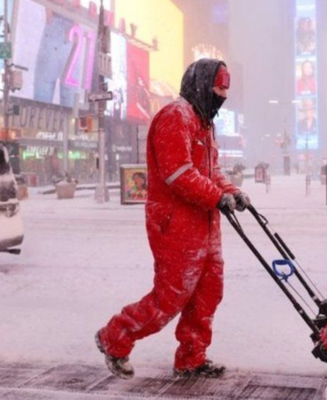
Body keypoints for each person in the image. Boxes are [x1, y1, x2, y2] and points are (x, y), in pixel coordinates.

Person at [95, 59, 251, 380]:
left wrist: (232, 192)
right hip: (176, 223)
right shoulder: (174, 117)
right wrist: (216, 197)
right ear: (202, 83)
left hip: (206, 224)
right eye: (219, 87)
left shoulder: (205, 122)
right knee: (170, 297)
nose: (224, 94)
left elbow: (212, 171)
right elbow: (178, 174)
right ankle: (115, 337)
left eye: (226, 88)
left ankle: (191, 359)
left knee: (208, 292)